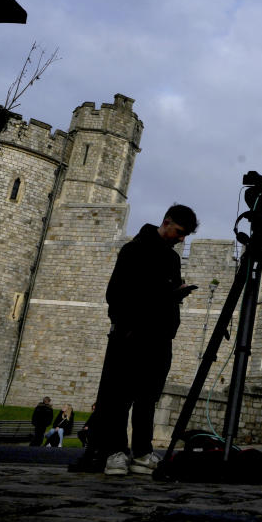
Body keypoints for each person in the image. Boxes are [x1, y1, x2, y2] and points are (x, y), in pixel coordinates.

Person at [70, 204, 198, 476]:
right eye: (180, 232)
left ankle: (141, 452)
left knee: (147, 398)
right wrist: (128, 325)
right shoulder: (133, 251)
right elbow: (116, 294)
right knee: (120, 396)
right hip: (132, 334)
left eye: (185, 235)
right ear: (166, 222)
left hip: (160, 336)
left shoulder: (173, 260)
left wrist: (175, 294)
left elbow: (164, 295)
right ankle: (115, 452)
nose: (181, 239)